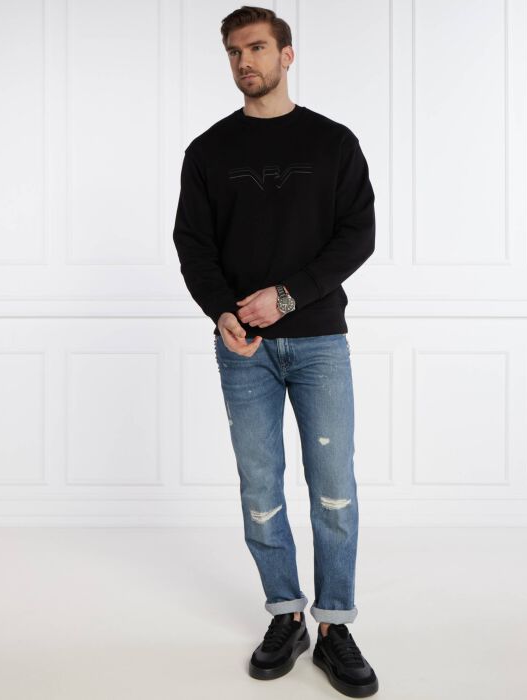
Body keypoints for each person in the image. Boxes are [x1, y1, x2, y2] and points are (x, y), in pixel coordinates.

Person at [173, 5, 379, 697]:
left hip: (319, 341)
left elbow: (357, 235)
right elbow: (193, 245)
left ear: (287, 55)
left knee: (334, 491)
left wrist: (288, 297)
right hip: (243, 350)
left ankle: (335, 627)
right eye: (234, 52)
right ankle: (286, 614)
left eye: (257, 48)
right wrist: (222, 311)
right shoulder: (208, 151)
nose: (245, 62)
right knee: (260, 490)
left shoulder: (333, 142)